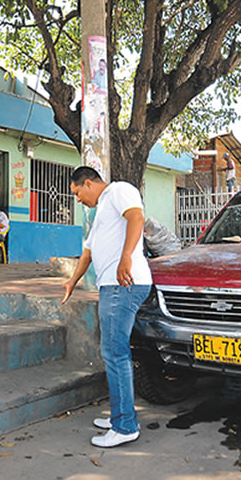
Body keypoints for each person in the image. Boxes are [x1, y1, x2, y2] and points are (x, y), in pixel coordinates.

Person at [61, 166, 152, 448]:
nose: (77, 199)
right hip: (113, 286)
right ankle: (119, 415)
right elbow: (88, 252)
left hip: (122, 283)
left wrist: (126, 256)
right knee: (114, 350)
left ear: (88, 183)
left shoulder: (119, 190)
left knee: (114, 352)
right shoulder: (101, 211)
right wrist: (72, 282)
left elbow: (137, 217)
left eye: (77, 193)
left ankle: (125, 425)